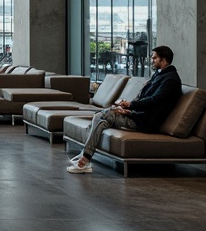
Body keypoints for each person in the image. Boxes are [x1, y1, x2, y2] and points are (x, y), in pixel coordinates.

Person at [68, 45, 183, 174]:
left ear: (164, 60)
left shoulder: (171, 80)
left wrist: (130, 106)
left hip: (146, 123)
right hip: (139, 116)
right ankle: (85, 159)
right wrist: (129, 111)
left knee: (103, 114)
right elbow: (145, 99)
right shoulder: (159, 75)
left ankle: (84, 158)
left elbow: (154, 101)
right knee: (102, 119)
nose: (151, 60)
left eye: (154, 58)